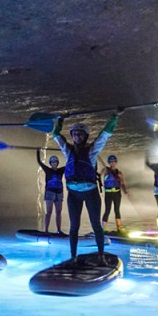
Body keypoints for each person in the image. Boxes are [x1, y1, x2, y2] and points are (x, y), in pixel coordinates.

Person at [52, 112, 121, 263]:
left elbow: (105, 135)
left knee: (96, 225)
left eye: (80, 134)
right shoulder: (67, 150)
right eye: (75, 134)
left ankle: (101, 256)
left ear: (85, 136)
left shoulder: (92, 150)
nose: (77, 136)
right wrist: (60, 121)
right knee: (73, 227)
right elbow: (56, 135)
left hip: (91, 193)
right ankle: (73, 257)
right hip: (74, 194)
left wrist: (113, 118)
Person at [36, 149, 65, 235]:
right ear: (50, 163)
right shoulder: (48, 170)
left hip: (59, 193)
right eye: (52, 162)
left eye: (55, 162)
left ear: (57, 163)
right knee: (49, 212)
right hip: (50, 193)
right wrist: (38, 151)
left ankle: (59, 230)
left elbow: (70, 164)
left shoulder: (61, 170)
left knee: (58, 212)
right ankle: (46, 230)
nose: (54, 163)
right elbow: (39, 162)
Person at [101, 155, 128, 233]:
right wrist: (105, 170)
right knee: (107, 210)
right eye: (111, 162)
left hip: (117, 193)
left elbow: (122, 183)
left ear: (116, 163)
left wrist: (125, 192)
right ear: (109, 163)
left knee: (117, 210)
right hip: (108, 194)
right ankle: (102, 228)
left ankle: (119, 227)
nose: (112, 163)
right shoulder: (106, 171)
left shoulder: (119, 173)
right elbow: (100, 175)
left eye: (114, 162)